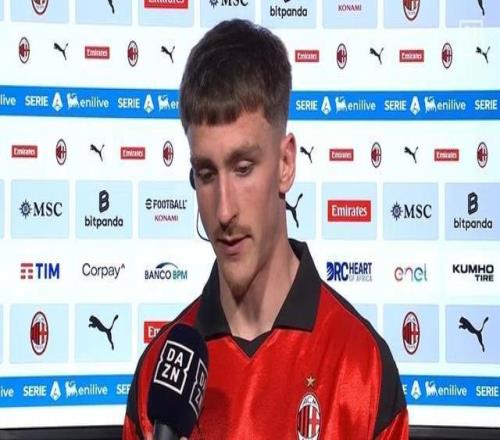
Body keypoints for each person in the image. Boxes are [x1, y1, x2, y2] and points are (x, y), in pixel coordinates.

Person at [123, 19, 409, 439]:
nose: (224, 211)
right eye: (206, 174)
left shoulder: (362, 366)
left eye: (243, 168)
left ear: (286, 164)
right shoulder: (158, 375)